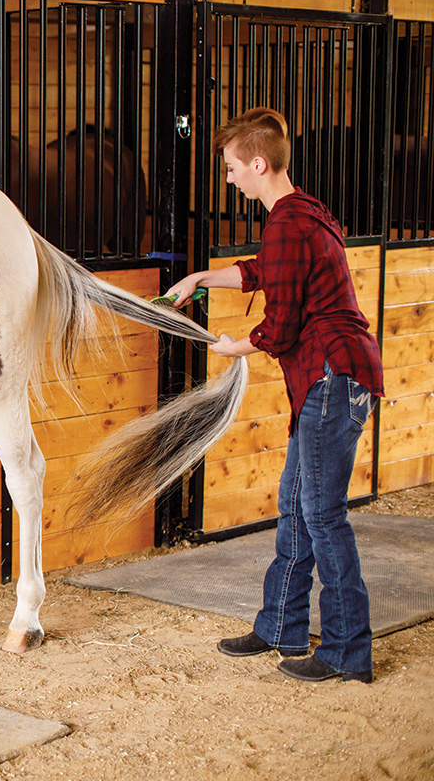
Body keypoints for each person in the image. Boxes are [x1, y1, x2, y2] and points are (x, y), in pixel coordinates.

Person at [165, 107, 384, 683]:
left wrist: (232, 347)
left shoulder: (288, 220)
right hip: (332, 378)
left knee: (323, 515)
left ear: (258, 163)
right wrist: (200, 279)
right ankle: (281, 626)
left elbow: (280, 326)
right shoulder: (303, 211)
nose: (229, 178)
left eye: (233, 168)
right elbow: (267, 272)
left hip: (330, 377)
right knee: (296, 505)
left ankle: (346, 652)